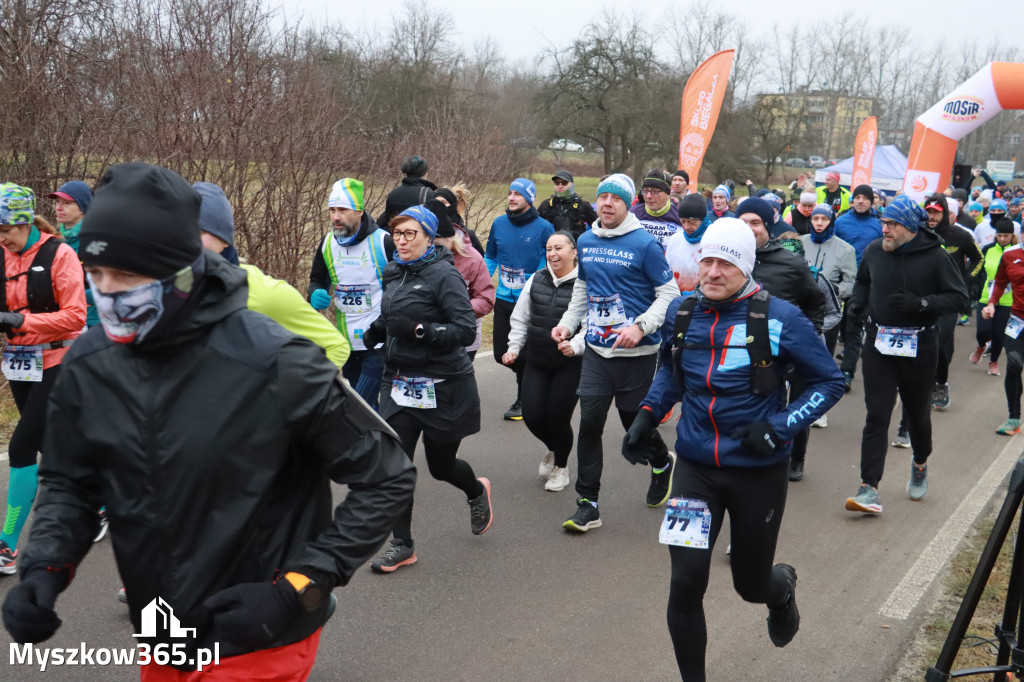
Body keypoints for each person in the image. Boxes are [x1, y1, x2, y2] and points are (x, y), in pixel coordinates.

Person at [1, 164, 415, 679]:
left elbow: (388, 476)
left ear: (181, 269)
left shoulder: (277, 361)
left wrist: (300, 585)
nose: (107, 294)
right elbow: (71, 481)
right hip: (163, 631)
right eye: (95, 274)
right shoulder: (90, 361)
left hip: (260, 635)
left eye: (127, 276)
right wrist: (45, 565)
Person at [628, 217, 843, 681]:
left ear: (745, 267)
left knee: (750, 584)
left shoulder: (780, 317)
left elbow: (830, 382)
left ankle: (780, 589)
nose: (712, 271)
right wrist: (646, 416)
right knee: (685, 583)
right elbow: (670, 372)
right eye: (706, 259)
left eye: (725, 262)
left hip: (757, 471)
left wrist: (780, 426)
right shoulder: (684, 312)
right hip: (695, 468)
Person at [363, 206, 492, 573]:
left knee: (441, 466)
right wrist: (380, 328)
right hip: (399, 382)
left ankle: (475, 490)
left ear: (428, 237)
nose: (401, 241)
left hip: (442, 384)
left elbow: (465, 331)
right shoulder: (393, 270)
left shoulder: (444, 275)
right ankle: (402, 544)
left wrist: (419, 330)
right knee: (397, 465)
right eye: (397, 234)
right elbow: (393, 312)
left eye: (410, 234)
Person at [551, 173, 679, 532]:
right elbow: (582, 289)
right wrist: (568, 324)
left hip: (636, 355)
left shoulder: (645, 244)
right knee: (589, 425)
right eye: (603, 197)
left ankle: (661, 462)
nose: (607, 203)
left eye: (616, 199)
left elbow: (668, 294)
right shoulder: (587, 239)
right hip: (596, 352)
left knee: (631, 428)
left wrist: (640, 326)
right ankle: (588, 504)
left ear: (627, 204)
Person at [844, 195, 969, 514]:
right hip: (879, 344)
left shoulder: (936, 257)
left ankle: (921, 461)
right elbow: (862, 283)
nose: (884, 228)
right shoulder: (874, 251)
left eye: (891, 224)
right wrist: (858, 305)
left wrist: (922, 304)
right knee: (876, 415)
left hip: (919, 347)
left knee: (917, 417)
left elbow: (959, 298)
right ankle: (868, 488)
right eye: (883, 222)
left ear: (910, 227)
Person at [0, 184, 86, 573]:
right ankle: (90, 503)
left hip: (58, 362)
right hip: (20, 362)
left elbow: (76, 316)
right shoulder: (1, 253)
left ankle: (7, 546)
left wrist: (22, 321)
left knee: (21, 447)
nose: (1, 239)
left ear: (23, 222)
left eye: (6, 230)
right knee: (51, 447)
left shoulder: (60, 254)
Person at [194, 182, 350, 369]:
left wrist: (287, 392)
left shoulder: (264, 293)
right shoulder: (164, 287)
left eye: (200, 231)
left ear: (225, 239)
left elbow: (336, 346)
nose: (188, 238)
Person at [503, 231, 585, 491]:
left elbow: (591, 325)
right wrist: (514, 348)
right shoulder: (536, 280)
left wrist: (575, 345)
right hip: (537, 359)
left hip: (569, 363)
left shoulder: (585, 284)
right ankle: (553, 448)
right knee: (532, 415)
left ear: (574, 252)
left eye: (558, 248)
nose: (552, 254)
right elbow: (520, 318)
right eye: (548, 249)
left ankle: (561, 467)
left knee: (558, 417)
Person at [308, 178, 392, 408]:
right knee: (368, 411)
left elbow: (403, 287)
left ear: (359, 212)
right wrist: (315, 294)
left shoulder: (384, 242)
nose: (336, 216)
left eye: (343, 210)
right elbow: (317, 280)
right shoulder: (327, 244)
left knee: (358, 406)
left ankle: (384, 441)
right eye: (332, 210)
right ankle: (387, 442)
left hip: (377, 342)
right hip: (346, 343)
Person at [485, 178, 554, 421]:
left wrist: (533, 286)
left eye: (518, 194)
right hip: (504, 297)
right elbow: (491, 257)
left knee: (524, 352)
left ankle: (524, 399)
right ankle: (536, 382)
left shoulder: (545, 227)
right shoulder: (499, 223)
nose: (512, 198)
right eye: (510, 193)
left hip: (531, 301)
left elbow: (548, 262)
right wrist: (480, 284)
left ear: (529, 199)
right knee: (500, 353)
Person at [924, 193, 983, 410]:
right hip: (924, 298)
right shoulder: (919, 234)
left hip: (950, 299)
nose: (931, 216)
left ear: (945, 214)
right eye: (928, 212)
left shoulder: (961, 235)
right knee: (931, 345)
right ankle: (927, 384)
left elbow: (979, 259)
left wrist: (965, 282)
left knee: (940, 343)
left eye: (936, 213)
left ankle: (940, 383)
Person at [426, 199, 494, 360]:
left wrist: (457, 310)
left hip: (462, 338)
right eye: (428, 242)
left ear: (450, 238)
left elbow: (486, 298)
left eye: (436, 243)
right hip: (427, 337)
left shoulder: (471, 258)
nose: (430, 248)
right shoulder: (418, 255)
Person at [983, 218, 1024, 435]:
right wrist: (991, 303)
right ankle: (1014, 419)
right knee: (1014, 365)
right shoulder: (1010, 255)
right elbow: (1000, 281)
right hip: (1017, 319)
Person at [800, 204, 857, 355]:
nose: (819, 223)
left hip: (828, 315)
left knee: (822, 359)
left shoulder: (846, 250)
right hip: (799, 311)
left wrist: (836, 289)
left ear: (832, 221)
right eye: (815, 218)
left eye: (824, 219)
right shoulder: (800, 242)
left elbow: (852, 284)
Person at [48, 181, 98, 327]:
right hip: (63, 324)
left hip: (96, 323)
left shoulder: (97, 240)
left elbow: (111, 288)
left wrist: (68, 295)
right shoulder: (52, 239)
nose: (59, 208)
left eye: (67, 203)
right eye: (57, 202)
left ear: (83, 207)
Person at [974, 218, 1016, 377]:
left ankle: (993, 362)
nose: (1003, 239)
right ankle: (981, 346)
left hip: (1007, 300)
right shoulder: (988, 249)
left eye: (1006, 235)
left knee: (999, 334)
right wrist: (975, 288)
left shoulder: (1017, 252)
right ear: (996, 235)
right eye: (1000, 235)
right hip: (986, 297)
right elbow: (978, 270)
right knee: (983, 330)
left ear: (1012, 236)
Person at [665, 194, 710, 294]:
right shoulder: (675, 239)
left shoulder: (712, 239)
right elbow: (667, 273)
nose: (686, 227)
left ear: (703, 220)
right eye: (683, 221)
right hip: (675, 298)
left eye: (692, 222)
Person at [376, 155, 436, 228]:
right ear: (425, 173)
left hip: (395, 236)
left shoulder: (394, 193)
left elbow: (386, 220)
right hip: (416, 236)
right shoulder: (428, 194)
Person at [631, 169, 683, 251]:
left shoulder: (680, 216)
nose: (648, 196)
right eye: (645, 191)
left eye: (655, 192)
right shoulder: (632, 215)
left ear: (667, 193)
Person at [537, 170, 597, 239]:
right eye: (557, 183)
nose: (560, 186)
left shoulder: (583, 205)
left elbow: (598, 227)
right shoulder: (546, 205)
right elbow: (534, 226)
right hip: (551, 247)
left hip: (575, 247)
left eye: (564, 183)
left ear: (572, 185)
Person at [435, 184, 485, 256]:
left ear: (453, 205)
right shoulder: (429, 232)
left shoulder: (467, 234)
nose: (438, 205)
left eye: (443, 202)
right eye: (436, 202)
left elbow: (480, 262)